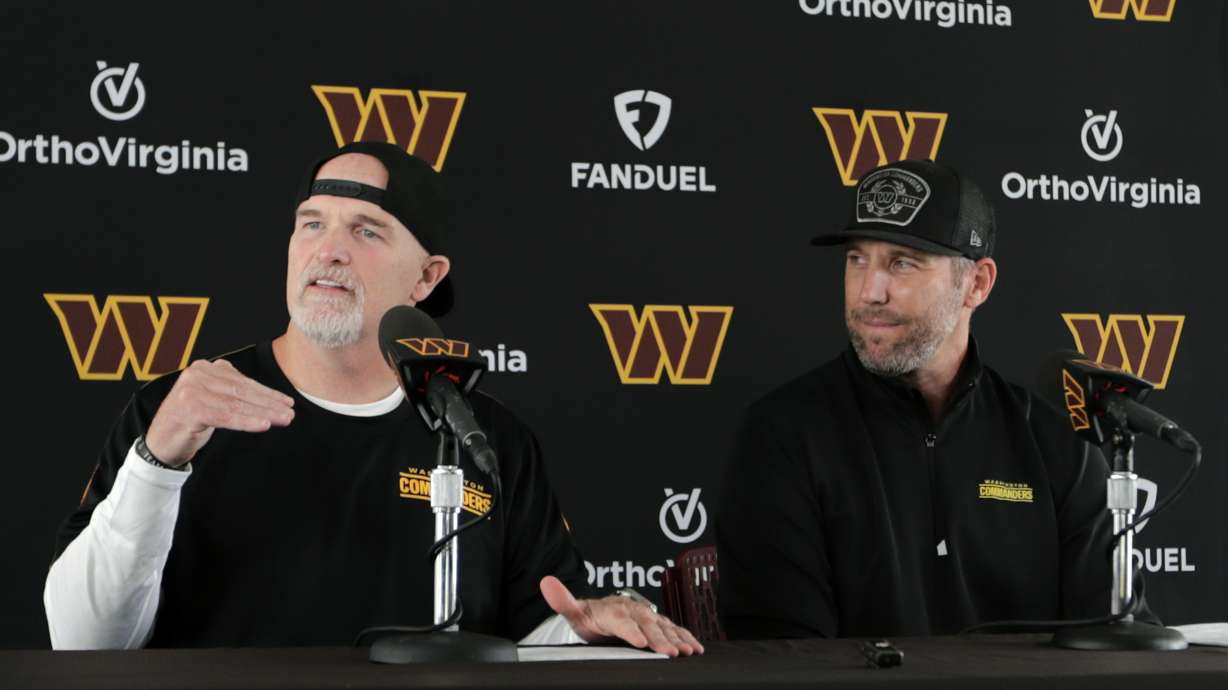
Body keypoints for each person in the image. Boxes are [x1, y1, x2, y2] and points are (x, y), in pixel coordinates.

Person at [45, 141, 703, 656]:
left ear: (427, 276)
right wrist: (157, 461)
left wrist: (584, 632)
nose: (327, 251)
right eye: (311, 225)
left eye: (366, 231)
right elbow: (81, 642)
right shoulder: (180, 409)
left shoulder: (486, 437)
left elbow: (533, 638)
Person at [716, 160, 1116, 638]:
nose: (869, 292)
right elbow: (784, 660)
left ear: (977, 284)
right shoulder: (781, 435)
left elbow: (1111, 642)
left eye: (902, 262)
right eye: (856, 259)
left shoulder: (1056, 443)